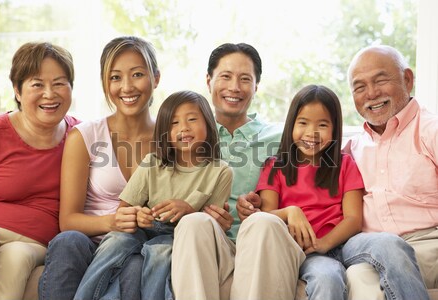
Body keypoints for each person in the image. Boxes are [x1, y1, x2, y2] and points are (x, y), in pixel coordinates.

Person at [171, 43, 305, 300]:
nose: (234, 87)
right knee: (194, 222)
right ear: (209, 81)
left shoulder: (282, 137)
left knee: (261, 222)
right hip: (213, 247)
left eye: (245, 79)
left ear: (256, 86)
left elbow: (313, 187)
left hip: (265, 247)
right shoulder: (184, 135)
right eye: (225, 77)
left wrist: (262, 206)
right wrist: (197, 209)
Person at [73, 90, 233, 300]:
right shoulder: (152, 162)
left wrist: (189, 210)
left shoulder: (220, 171)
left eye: (192, 119)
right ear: (164, 132)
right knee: (115, 241)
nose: (183, 127)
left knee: (160, 253)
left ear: (209, 124)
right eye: (174, 123)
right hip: (144, 227)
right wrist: (138, 216)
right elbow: (125, 210)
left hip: (177, 237)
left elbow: (208, 227)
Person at [38, 36, 161, 300]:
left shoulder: (171, 137)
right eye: (115, 77)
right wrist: (112, 222)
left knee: (137, 265)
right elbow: (68, 220)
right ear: (106, 83)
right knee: (67, 241)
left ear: (156, 79)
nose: (126, 87)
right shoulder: (84, 136)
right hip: (88, 241)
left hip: (137, 245)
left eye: (137, 74)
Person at [342, 45, 437, 299]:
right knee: (357, 277)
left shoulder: (431, 131)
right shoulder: (351, 148)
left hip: (431, 243)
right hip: (372, 249)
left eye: (380, 80)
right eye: (360, 87)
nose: (371, 93)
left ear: (407, 79)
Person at [255, 84, 365, 299]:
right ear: (291, 125)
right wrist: (290, 211)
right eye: (303, 123)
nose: (311, 133)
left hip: (341, 244)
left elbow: (353, 219)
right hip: (304, 253)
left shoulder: (345, 163)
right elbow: (265, 216)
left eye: (322, 125)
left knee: (388, 246)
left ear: (335, 128)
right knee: (327, 277)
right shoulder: (275, 166)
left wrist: (324, 243)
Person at [0, 42, 78, 300]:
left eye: (60, 83)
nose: (49, 94)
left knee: (18, 255)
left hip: (36, 242)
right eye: (37, 84)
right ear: (17, 91)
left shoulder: (82, 137)